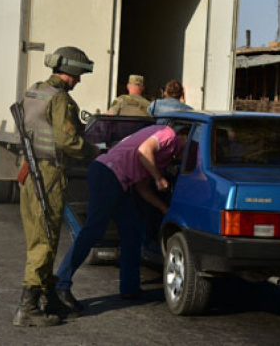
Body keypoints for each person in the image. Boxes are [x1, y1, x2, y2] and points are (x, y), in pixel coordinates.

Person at [54, 123, 189, 315]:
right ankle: (61, 284)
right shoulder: (168, 134)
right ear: (185, 140)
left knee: (132, 230)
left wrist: (164, 210)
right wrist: (159, 178)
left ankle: (130, 289)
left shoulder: (163, 157)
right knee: (93, 231)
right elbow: (144, 151)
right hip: (107, 174)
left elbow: (142, 187)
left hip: (118, 181)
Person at [13, 46, 101, 328]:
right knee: (45, 238)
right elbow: (66, 141)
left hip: (29, 170)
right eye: (80, 74)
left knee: (41, 235)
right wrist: (93, 152)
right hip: (47, 174)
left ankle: (48, 297)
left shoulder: (35, 90)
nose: (80, 80)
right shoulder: (61, 98)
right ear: (72, 71)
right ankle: (27, 308)